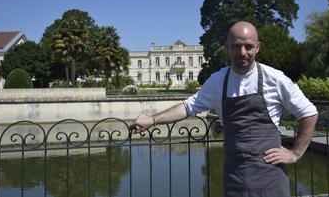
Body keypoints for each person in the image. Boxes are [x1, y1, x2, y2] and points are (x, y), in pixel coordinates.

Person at [132, 21, 318, 197]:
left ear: (258, 47)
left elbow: (308, 113)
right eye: (236, 46)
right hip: (235, 177)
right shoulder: (217, 81)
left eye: (248, 46)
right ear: (227, 47)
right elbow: (187, 108)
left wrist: (295, 153)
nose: (242, 52)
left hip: (270, 177)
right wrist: (152, 120)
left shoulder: (275, 79)